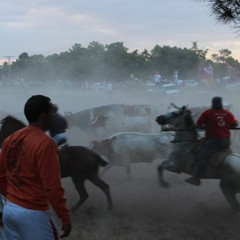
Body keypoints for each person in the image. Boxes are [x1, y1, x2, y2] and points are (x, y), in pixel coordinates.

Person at [0, 95, 72, 239]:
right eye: (52, 112)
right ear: (44, 116)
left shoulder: (11, 139)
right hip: (34, 214)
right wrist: (65, 217)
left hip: (10, 210)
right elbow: (52, 187)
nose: (54, 116)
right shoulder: (46, 144)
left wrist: (13, 198)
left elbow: (1, 175)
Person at [185, 96, 238, 186]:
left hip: (213, 141)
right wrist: (226, 126)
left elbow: (198, 124)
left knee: (202, 155)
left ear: (212, 103)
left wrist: (206, 127)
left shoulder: (207, 113)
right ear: (221, 103)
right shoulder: (228, 113)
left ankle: (196, 178)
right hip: (226, 141)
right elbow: (235, 124)